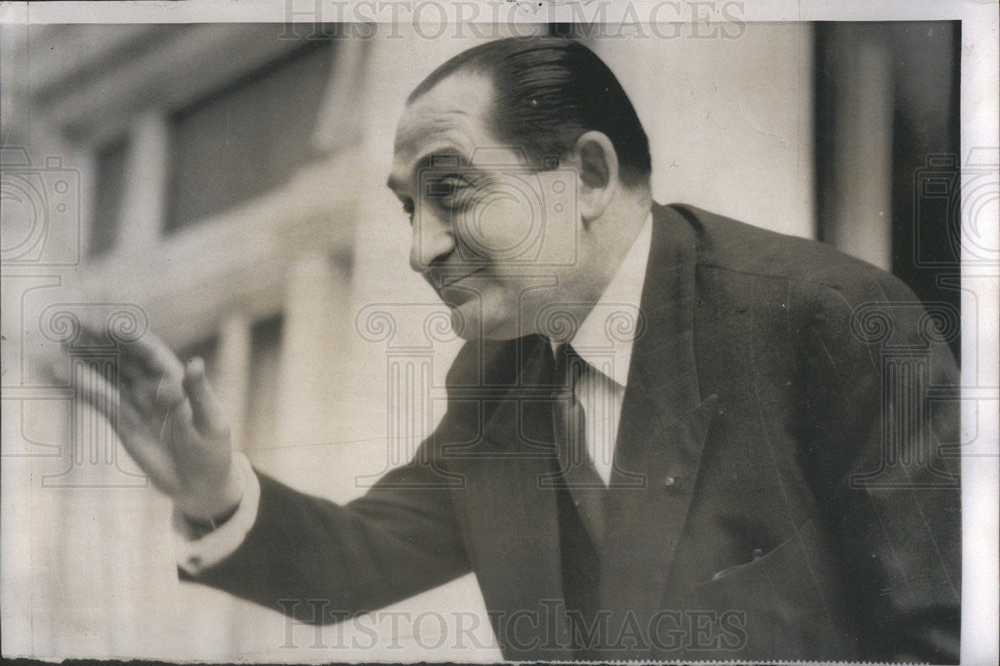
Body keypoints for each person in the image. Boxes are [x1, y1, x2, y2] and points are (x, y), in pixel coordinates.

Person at [73, 37, 960, 662]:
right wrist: (209, 485)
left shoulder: (829, 318)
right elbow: (353, 559)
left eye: (450, 191)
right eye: (407, 209)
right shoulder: (495, 383)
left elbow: (948, 638)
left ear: (589, 176)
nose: (422, 247)